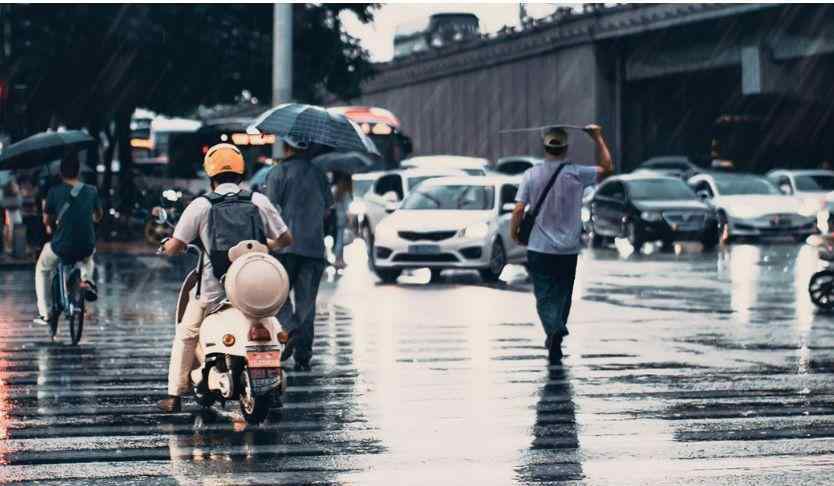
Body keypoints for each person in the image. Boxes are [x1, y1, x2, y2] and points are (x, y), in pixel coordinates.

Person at [157, 143, 293, 413]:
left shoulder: (200, 206)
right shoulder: (258, 201)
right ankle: (272, 381)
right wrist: (263, 248)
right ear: (241, 173)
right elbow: (286, 239)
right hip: (257, 285)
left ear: (211, 175)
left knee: (186, 333)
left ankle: (174, 395)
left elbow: (175, 245)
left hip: (214, 288)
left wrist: (168, 247)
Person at [511, 125, 612, 363]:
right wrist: (597, 137)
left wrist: (514, 232)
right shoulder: (577, 173)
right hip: (568, 248)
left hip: (539, 248)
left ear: (545, 147)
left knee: (545, 295)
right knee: (563, 294)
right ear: (566, 148)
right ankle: (557, 330)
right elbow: (608, 168)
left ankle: (553, 329)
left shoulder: (531, 175)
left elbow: (518, 209)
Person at [265, 137, 334, 371]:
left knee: (276, 295)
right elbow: (328, 209)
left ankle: (289, 327)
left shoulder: (278, 172)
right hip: (313, 248)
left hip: (284, 247)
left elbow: (270, 209)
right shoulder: (319, 173)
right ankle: (303, 356)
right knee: (307, 303)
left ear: (286, 147)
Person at [34, 153, 103, 325]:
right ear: (78, 171)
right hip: (86, 244)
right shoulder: (91, 191)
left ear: (61, 173)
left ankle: (45, 313)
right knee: (88, 256)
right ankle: (87, 280)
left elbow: (47, 221)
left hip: (62, 245)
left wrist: (51, 225)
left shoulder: (54, 192)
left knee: (42, 269)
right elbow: (98, 216)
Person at [332, 171, 353, 269]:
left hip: (337, 217)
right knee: (340, 240)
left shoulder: (336, 190)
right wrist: (350, 220)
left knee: (339, 239)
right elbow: (348, 208)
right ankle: (338, 260)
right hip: (343, 217)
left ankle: (339, 260)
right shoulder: (346, 193)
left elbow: (333, 205)